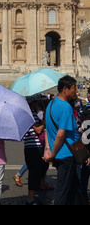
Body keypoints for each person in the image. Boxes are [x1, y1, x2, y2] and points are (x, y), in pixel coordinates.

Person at [43, 75, 88, 205]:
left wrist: (48, 148)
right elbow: (60, 135)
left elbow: (48, 130)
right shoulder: (66, 107)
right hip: (66, 155)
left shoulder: (51, 104)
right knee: (63, 192)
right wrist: (53, 154)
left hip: (61, 154)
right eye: (74, 88)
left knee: (76, 190)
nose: (76, 91)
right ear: (65, 89)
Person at [23, 96, 49, 205]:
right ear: (32, 104)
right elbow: (38, 130)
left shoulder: (25, 115)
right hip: (34, 147)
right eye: (35, 103)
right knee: (34, 173)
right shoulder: (31, 115)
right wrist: (44, 122)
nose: (37, 105)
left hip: (28, 147)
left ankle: (31, 197)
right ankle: (30, 199)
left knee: (33, 173)